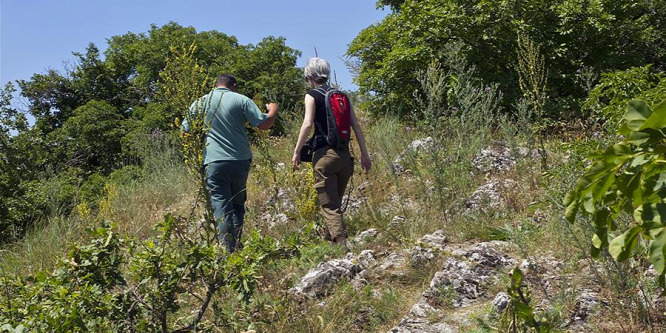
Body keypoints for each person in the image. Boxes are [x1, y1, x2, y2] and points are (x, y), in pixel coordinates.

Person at [182, 74, 278, 252]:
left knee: (221, 206)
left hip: (213, 161)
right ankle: (236, 245)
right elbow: (264, 124)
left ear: (215, 85)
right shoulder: (241, 100)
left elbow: (185, 131)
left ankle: (228, 250)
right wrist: (273, 109)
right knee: (237, 204)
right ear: (233, 85)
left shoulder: (200, 102)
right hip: (240, 160)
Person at [291, 58, 371, 250]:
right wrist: (365, 155)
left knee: (329, 206)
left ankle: (343, 250)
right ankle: (330, 242)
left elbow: (307, 124)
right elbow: (356, 125)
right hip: (345, 158)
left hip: (324, 157)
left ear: (310, 76)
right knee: (335, 202)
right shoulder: (342, 95)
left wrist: (296, 152)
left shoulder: (311, 95)